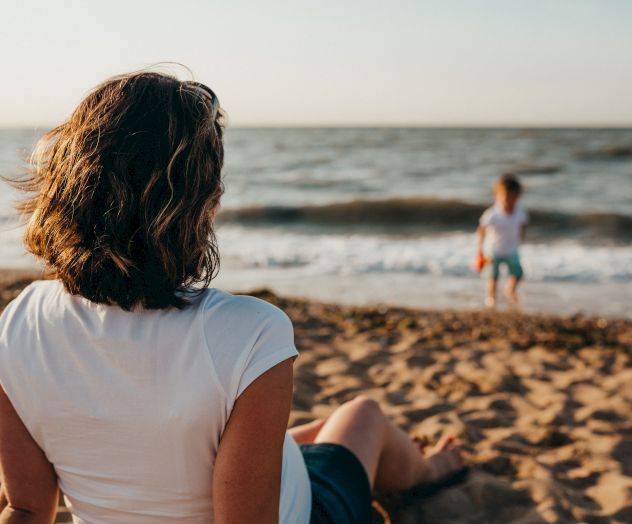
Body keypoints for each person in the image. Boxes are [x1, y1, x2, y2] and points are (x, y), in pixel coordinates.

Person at [0, 71, 464, 524]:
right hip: (307, 511)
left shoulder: (17, 323)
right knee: (363, 416)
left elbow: (25, 508)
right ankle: (435, 471)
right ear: (205, 204)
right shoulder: (250, 332)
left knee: (308, 435)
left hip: (193, 471)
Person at [476, 174, 528, 308]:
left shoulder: (520, 212)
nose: (509, 201)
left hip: (511, 250)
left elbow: (522, 225)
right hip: (493, 251)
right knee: (493, 277)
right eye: (506, 198)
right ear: (497, 197)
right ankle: (491, 299)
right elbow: (481, 230)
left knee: (518, 273)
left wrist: (520, 238)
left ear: (518, 197)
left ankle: (509, 290)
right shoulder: (493, 214)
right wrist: (480, 249)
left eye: (513, 198)